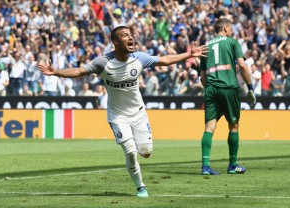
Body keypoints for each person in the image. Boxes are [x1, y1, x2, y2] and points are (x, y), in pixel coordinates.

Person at [39, 25, 208, 197]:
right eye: (125, 35)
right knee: (131, 152)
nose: (130, 38)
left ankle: (141, 162)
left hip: (139, 114)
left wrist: (189, 54)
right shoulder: (102, 62)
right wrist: (55, 72)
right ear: (115, 41)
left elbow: (164, 60)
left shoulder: (139, 59)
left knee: (146, 152)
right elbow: (78, 71)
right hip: (117, 116)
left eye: (130, 35)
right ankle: (140, 187)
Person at [199, 18, 256, 175]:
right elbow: (242, 66)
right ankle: (232, 165)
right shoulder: (232, 42)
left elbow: (202, 77)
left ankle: (205, 166)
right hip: (228, 87)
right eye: (230, 28)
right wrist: (250, 87)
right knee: (233, 125)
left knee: (209, 126)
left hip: (210, 88)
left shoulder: (205, 47)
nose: (232, 31)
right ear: (225, 28)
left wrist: (210, 88)